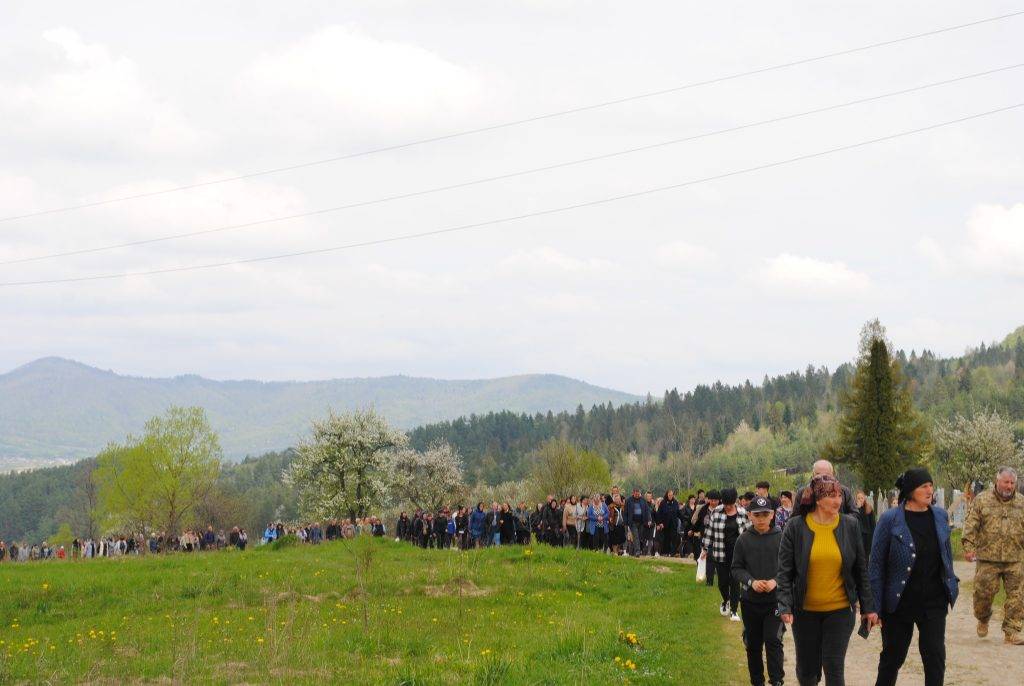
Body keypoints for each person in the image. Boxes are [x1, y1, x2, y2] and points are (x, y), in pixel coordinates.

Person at [777, 474, 877, 686]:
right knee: (807, 671)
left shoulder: (850, 525)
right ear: (818, 499)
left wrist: (869, 607)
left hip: (840, 611)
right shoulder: (795, 527)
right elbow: (784, 571)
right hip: (804, 612)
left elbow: (861, 570)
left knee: (834, 668)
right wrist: (785, 605)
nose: (838, 500)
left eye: (839, 495)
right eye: (831, 496)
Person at [870, 468, 958, 686]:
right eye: (923, 486)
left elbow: (946, 554)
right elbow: (876, 564)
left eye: (930, 485)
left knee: (935, 657)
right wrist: (874, 605)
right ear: (910, 491)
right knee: (893, 657)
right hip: (900, 602)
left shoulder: (940, 516)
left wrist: (951, 582)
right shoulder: (890, 519)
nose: (929, 490)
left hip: (934, 600)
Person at [962, 466, 1024, 644]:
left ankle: (1011, 632)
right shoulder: (982, 500)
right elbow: (971, 524)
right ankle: (983, 617)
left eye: (1012, 483)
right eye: (1006, 482)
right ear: (997, 481)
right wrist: (968, 547)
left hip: (1015, 558)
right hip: (988, 558)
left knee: (1017, 596)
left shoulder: (1021, 502)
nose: (1009, 486)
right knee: (983, 594)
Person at [732, 496, 785, 686]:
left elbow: (790, 569)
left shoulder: (781, 538)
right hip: (750, 601)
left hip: (775, 602)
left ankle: (777, 680)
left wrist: (775, 581)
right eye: (757, 515)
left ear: (772, 515)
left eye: (765, 514)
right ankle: (757, 681)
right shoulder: (743, 540)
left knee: (773, 640)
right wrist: (751, 582)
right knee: (753, 645)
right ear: (749, 516)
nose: (761, 518)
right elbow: (736, 568)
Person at [701, 488, 749, 621]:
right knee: (722, 582)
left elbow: (748, 532)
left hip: (737, 555)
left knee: (735, 582)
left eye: (731, 504)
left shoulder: (742, 513)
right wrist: (705, 549)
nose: (728, 507)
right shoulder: (716, 512)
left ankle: (734, 610)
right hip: (720, 552)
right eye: (726, 504)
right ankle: (726, 600)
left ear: (735, 502)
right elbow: (709, 531)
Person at [693, 490, 721, 586]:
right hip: (705, 537)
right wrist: (693, 530)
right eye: (711, 500)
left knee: (718, 559)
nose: (713, 502)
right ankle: (709, 581)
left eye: (715, 500)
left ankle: (722, 578)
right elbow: (698, 522)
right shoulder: (704, 509)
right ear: (708, 500)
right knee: (709, 558)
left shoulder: (722, 509)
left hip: (718, 537)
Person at [624, 487, 652, 557]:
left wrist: (649, 519)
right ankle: (637, 551)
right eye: (636, 493)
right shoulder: (629, 500)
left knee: (639, 537)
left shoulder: (643, 500)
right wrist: (626, 522)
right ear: (633, 493)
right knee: (636, 536)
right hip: (632, 522)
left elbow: (647, 511)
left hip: (642, 522)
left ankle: (634, 551)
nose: (637, 494)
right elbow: (625, 512)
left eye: (638, 493)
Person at [655, 490, 680, 557]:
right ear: (667, 495)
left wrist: (684, 519)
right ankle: (666, 552)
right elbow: (659, 514)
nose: (670, 496)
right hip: (665, 524)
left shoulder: (675, 502)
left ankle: (672, 553)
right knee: (667, 539)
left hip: (674, 524)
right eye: (669, 495)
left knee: (674, 538)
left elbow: (678, 513)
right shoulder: (663, 503)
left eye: (672, 495)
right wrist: (660, 523)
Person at [854, 490, 876, 562]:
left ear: (864, 499)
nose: (860, 500)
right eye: (858, 498)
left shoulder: (869, 509)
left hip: (867, 538)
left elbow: (873, 525)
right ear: (856, 499)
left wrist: (873, 539)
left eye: (861, 498)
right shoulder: (854, 509)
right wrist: (858, 508)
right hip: (857, 537)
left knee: (865, 559)